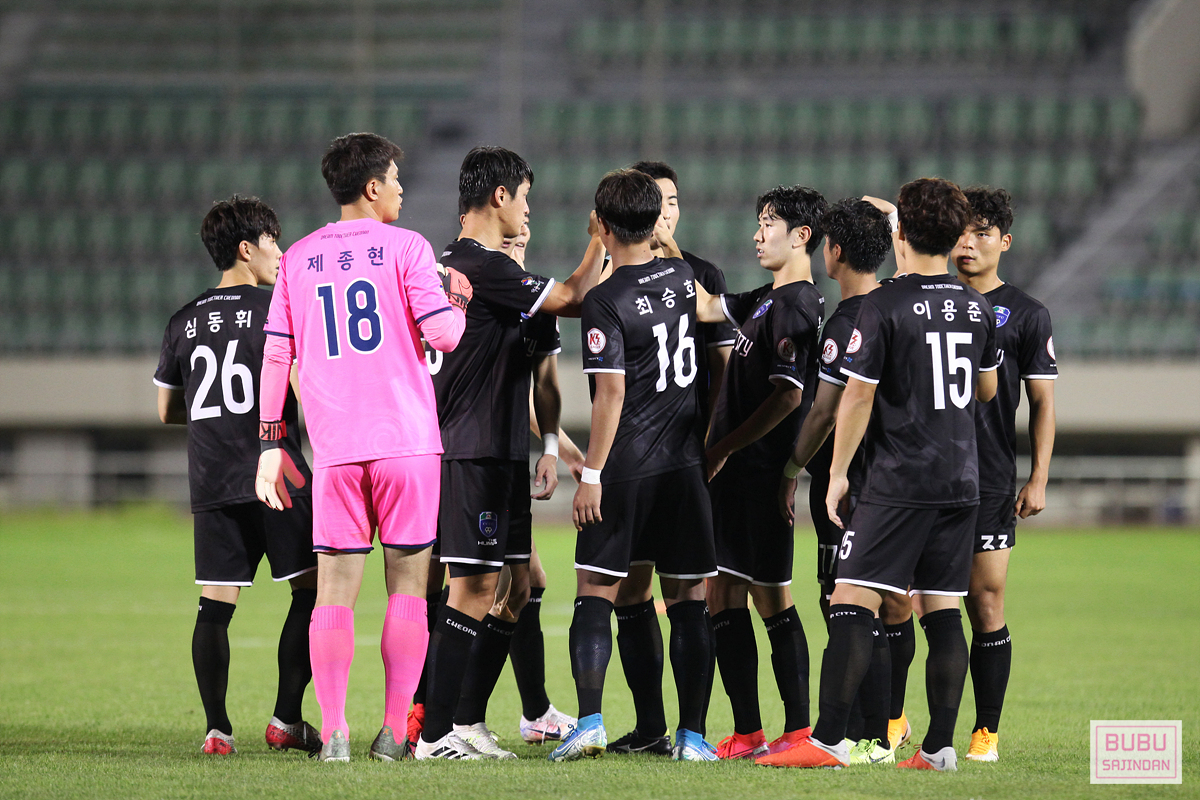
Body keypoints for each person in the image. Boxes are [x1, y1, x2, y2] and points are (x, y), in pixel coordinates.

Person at [757, 177, 998, 772]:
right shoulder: (977, 306)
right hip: (960, 479)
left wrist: (837, 473)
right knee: (941, 607)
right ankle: (939, 748)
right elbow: (988, 390)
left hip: (899, 479)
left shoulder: (884, 305)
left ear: (902, 233)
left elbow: (857, 398)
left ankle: (829, 741)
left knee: (850, 598)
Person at [255, 132, 468, 762]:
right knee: (408, 587)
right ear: (372, 187)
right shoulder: (409, 248)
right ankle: (392, 732)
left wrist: (270, 442)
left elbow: (277, 356)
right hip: (406, 444)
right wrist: (457, 297)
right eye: (395, 178)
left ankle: (335, 734)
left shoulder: (297, 258)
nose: (401, 188)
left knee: (333, 593)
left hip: (336, 450)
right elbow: (444, 336)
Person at [417, 146, 605, 760]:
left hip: (490, 452)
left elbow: (531, 375)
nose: (527, 209)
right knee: (471, 589)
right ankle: (436, 733)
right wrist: (600, 237)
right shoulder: (484, 265)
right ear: (499, 196)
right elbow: (575, 295)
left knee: (516, 583)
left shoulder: (447, 266)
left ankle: (465, 723)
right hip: (470, 451)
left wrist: (550, 445)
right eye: (523, 196)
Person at [550, 169, 718, 763]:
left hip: (625, 469)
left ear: (600, 223)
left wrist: (591, 474)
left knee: (596, 590)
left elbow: (611, 393)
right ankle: (692, 737)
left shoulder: (605, 299)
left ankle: (591, 722)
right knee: (689, 598)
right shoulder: (682, 276)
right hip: (683, 466)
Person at [154, 196, 320, 756]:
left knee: (215, 606)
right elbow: (301, 388)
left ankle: (217, 730)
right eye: (273, 240)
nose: (280, 251)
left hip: (213, 478)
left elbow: (167, 410)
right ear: (247, 249)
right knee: (313, 592)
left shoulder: (183, 319)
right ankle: (286, 719)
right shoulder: (279, 309)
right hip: (280, 475)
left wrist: (215, 417)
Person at [601, 160, 737, 756]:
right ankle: (651, 727)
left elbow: (724, 367)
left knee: (687, 593)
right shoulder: (612, 277)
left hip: (686, 457)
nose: (665, 212)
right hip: (635, 458)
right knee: (631, 592)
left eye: (673, 201)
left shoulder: (699, 276)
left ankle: (692, 732)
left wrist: (713, 441)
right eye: (656, 201)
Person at [690, 186, 826, 760]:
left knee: (741, 596)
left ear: (802, 236)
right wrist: (662, 241)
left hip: (756, 473)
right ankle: (775, 731)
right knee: (755, 595)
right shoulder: (768, 300)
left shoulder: (796, 305)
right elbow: (705, 305)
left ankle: (770, 732)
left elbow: (789, 397)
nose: (757, 234)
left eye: (768, 223)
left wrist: (723, 448)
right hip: (749, 474)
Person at [776, 198, 894, 764]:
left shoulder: (847, 323)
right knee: (868, 605)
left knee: (847, 606)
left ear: (836, 251)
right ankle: (872, 730)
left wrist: (790, 469)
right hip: (891, 480)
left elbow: (824, 412)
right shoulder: (895, 304)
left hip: (848, 488)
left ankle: (866, 735)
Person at [952, 186, 1057, 762]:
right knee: (905, 603)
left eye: (982, 233)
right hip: (919, 473)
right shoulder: (925, 300)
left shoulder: (1026, 313)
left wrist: (1038, 476)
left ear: (1005, 242)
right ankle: (894, 723)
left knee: (985, 604)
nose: (969, 243)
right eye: (961, 232)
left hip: (988, 476)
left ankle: (985, 732)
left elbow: (1042, 402)